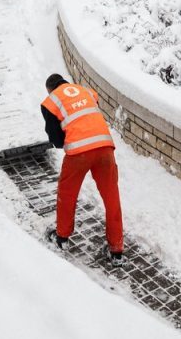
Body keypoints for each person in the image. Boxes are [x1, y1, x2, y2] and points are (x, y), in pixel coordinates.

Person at [40, 73, 124, 262]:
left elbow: (56, 139)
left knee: (67, 194)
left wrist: (65, 138)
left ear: (50, 89)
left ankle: (62, 237)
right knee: (112, 198)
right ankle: (117, 249)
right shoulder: (87, 92)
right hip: (105, 147)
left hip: (79, 152)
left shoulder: (51, 101)